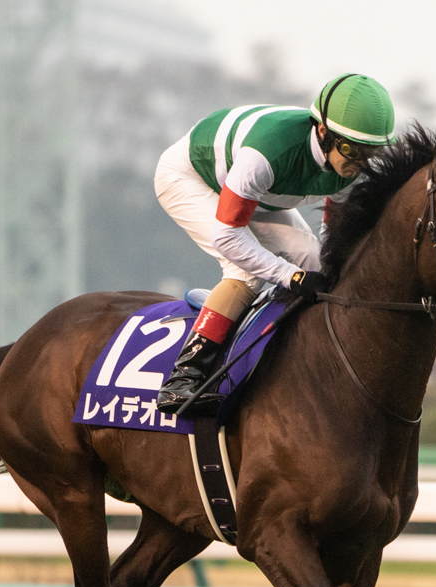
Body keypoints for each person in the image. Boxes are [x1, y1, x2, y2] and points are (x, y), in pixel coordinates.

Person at [153, 73, 398, 414]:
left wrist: (316, 270)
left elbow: (331, 239)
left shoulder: (350, 162)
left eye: (370, 154)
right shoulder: (266, 156)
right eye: (351, 151)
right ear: (323, 132)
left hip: (258, 193)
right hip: (192, 177)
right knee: (245, 270)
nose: (359, 164)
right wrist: (291, 278)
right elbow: (227, 235)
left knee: (312, 259)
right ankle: (184, 377)